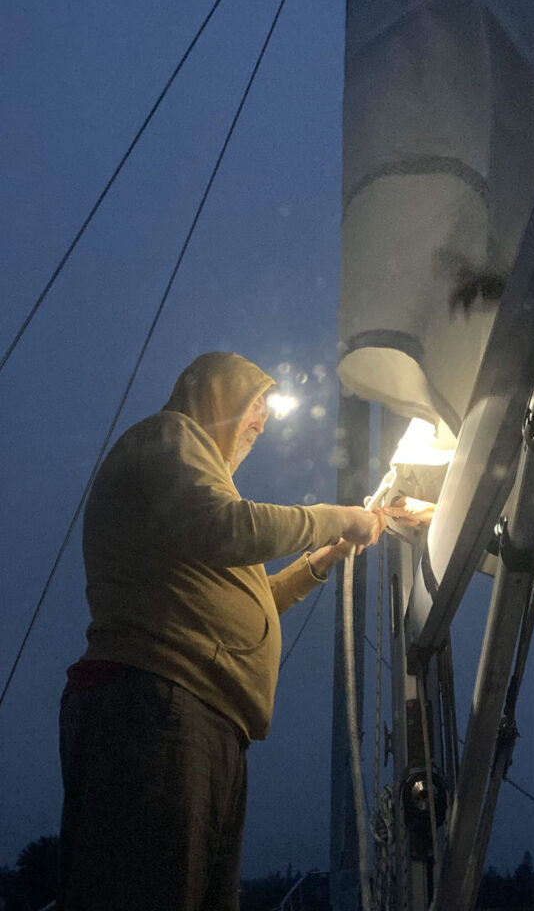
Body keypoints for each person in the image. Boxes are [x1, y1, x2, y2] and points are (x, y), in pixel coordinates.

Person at [58, 351, 385, 911]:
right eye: (255, 404)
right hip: (157, 707)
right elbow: (229, 530)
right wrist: (340, 516)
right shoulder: (167, 437)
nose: (261, 422)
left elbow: (246, 604)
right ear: (216, 398)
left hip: (198, 716)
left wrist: (320, 561)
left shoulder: (195, 504)